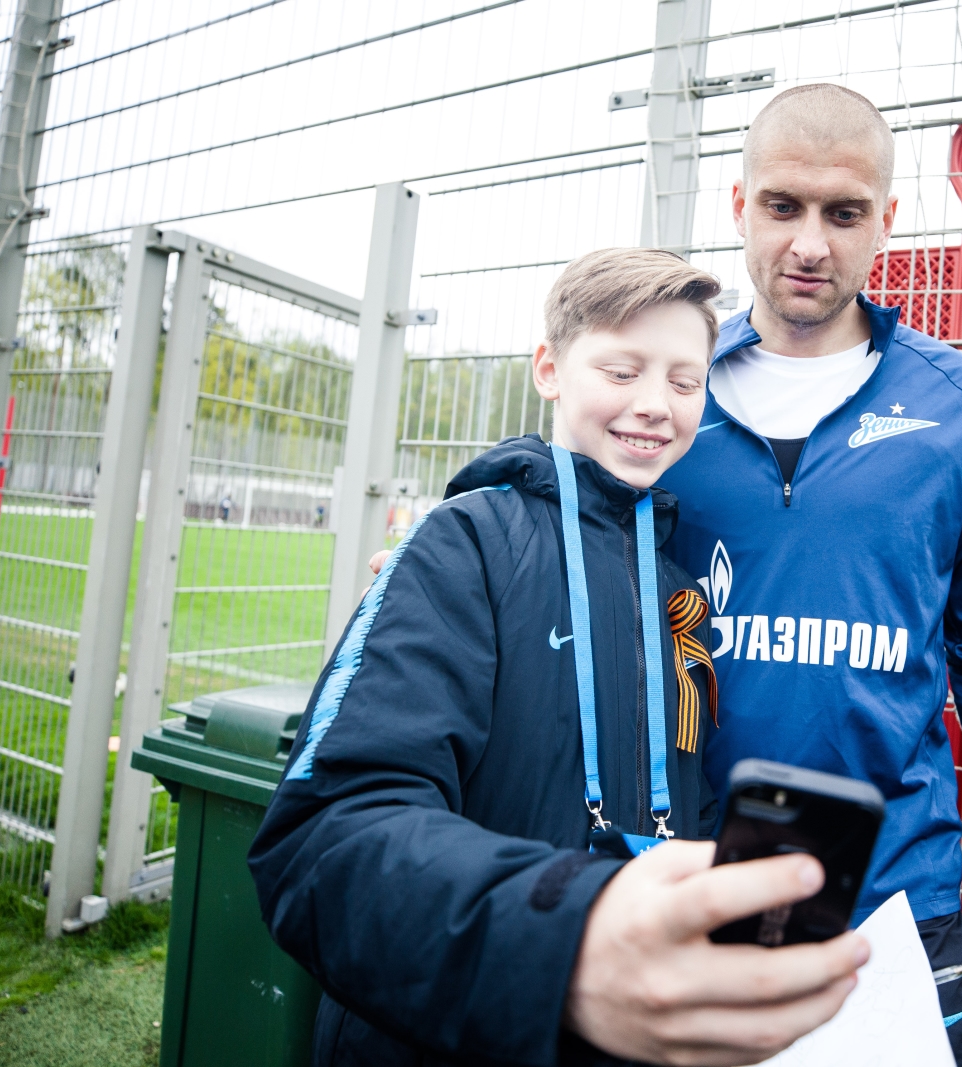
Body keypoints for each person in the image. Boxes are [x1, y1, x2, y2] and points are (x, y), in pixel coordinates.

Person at [249, 249, 868, 1067]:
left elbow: (682, 796)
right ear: (549, 368)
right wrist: (567, 937)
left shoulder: (683, 589)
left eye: (686, 383)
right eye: (621, 369)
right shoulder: (461, 545)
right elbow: (325, 837)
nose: (654, 404)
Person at [655, 84, 962, 1067]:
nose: (809, 243)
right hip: (685, 879)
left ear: (887, 220)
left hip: (896, 897)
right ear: (737, 204)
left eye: (843, 213)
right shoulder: (664, 391)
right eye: (783, 207)